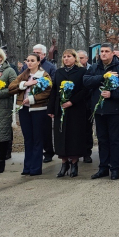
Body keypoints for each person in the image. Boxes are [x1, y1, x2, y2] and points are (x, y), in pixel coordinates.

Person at [83, 43, 119, 180]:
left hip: (115, 110)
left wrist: (112, 95)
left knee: (114, 140)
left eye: (106, 51)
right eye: (101, 51)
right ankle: (103, 167)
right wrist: (103, 76)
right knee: (102, 140)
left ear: (112, 54)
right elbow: (86, 81)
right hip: (99, 111)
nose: (103, 54)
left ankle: (115, 168)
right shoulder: (94, 67)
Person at [47, 49, 89, 178]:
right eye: (64, 57)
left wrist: (72, 102)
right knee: (60, 135)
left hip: (76, 109)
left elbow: (84, 90)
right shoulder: (59, 72)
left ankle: (74, 163)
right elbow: (54, 90)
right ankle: (64, 163)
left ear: (75, 58)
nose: (66, 59)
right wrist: (51, 109)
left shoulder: (82, 71)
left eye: (69, 56)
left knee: (74, 136)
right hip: (61, 108)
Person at [9, 53, 53, 176]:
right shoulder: (24, 75)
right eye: (27, 60)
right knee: (28, 139)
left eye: (32, 60)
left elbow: (48, 91)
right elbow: (11, 87)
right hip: (24, 110)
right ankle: (27, 167)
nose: (29, 63)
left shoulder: (44, 75)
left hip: (39, 110)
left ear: (38, 62)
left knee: (37, 139)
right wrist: (25, 84)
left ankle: (35, 168)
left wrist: (32, 99)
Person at [21, 44, 57, 163]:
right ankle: (35, 155)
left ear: (44, 55)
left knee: (45, 130)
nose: (35, 54)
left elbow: (51, 86)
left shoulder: (50, 68)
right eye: (33, 52)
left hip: (43, 103)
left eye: (38, 52)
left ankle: (48, 151)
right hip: (27, 105)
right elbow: (19, 81)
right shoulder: (25, 68)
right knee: (32, 133)